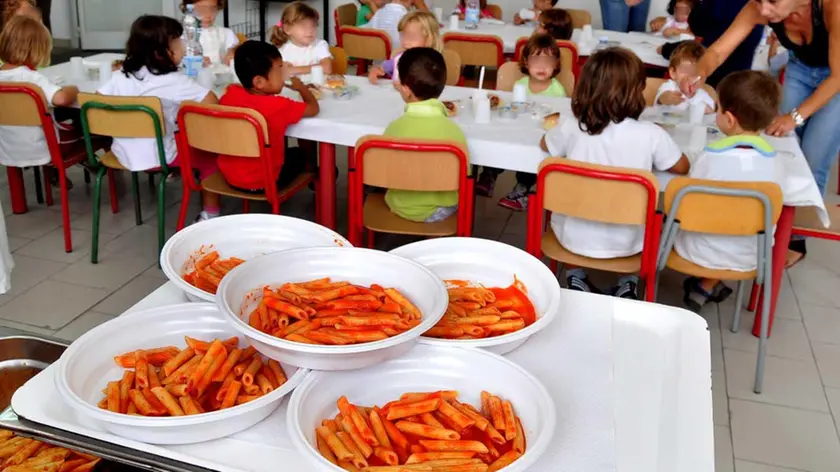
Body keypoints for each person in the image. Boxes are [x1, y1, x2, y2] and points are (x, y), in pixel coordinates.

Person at [678, 0, 840, 266]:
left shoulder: (832, 7)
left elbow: (837, 76)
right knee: (778, 143)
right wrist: (700, 73)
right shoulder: (758, 6)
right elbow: (718, 51)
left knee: (814, 156)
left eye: (772, 2)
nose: (764, 10)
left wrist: (795, 117)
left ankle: (795, 238)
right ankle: (766, 222)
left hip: (837, 77)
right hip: (801, 68)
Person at [542, 47, 691, 299]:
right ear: (637, 91)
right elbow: (682, 167)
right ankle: (629, 282)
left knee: (567, 206)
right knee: (651, 212)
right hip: (628, 243)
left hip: (571, 238)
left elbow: (546, 144)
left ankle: (575, 275)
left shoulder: (572, 127)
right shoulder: (651, 134)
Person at [677, 71, 783, 311]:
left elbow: (689, 202)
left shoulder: (710, 156)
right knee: (733, 226)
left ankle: (703, 285)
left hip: (697, 250)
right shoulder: (775, 162)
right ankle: (704, 287)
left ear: (729, 119)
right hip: (751, 256)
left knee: (673, 215)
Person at [98, 15, 221, 222]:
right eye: (179, 41)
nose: (183, 45)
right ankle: (211, 214)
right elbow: (212, 103)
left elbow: (98, 103)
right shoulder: (175, 80)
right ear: (162, 52)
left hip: (122, 152)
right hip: (160, 156)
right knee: (211, 154)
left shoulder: (120, 76)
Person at [477, 34, 567, 211]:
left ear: (556, 64)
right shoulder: (520, 84)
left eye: (547, 61)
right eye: (536, 60)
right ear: (526, 62)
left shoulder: (558, 90)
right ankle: (488, 176)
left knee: (534, 153)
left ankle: (522, 190)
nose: (542, 66)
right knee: (499, 140)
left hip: (539, 136)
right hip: (518, 130)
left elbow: (558, 118)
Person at [218, 41, 319, 195]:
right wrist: (301, 88)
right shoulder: (278, 106)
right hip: (264, 182)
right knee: (303, 154)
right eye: (280, 69)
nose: (284, 74)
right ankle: (320, 180)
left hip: (229, 176)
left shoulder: (229, 94)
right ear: (259, 82)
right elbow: (314, 109)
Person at [382, 47, 468, 223]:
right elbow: (464, 177)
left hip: (399, 205)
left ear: (406, 90)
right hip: (439, 212)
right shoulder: (454, 134)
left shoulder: (393, 128)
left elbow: (384, 172)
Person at [0, 16, 77, 170]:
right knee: (84, 131)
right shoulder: (32, 78)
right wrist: (74, 89)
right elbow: (61, 98)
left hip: (7, 151)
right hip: (41, 149)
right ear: (37, 50)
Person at [653, 0, 762, 87]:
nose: (765, 10)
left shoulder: (750, 8)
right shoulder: (754, 8)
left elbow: (707, 36)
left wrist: (667, 49)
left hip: (723, 75)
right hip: (730, 76)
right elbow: (716, 51)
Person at [367, 11, 442, 85]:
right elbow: (383, 69)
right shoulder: (399, 57)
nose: (405, 41)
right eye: (403, 35)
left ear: (429, 40)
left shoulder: (432, 63)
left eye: (411, 37)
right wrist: (376, 71)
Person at [270, 2, 332, 80]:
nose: (310, 30)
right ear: (287, 29)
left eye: (313, 26)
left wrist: (294, 70)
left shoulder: (319, 45)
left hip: (317, 89)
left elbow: (327, 68)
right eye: (303, 26)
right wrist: (281, 69)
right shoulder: (281, 49)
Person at [655, 42, 715, 114]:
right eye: (686, 70)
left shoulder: (701, 94)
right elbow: (661, 98)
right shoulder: (670, 87)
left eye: (697, 73)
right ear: (673, 72)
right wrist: (667, 98)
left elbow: (712, 112)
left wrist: (695, 100)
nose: (691, 77)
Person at [181, 0, 239, 66]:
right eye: (202, 9)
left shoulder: (226, 33)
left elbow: (236, 48)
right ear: (189, 9)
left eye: (213, 9)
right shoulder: (181, 36)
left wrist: (232, 52)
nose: (208, 14)